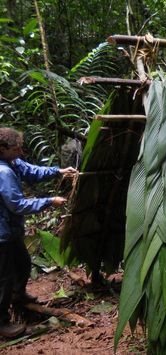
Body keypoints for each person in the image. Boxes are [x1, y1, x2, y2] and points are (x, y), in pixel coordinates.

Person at [0, 127, 77, 338]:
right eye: (16, 149)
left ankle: (18, 295)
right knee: (4, 277)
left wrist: (58, 171)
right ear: (2, 149)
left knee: (23, 263)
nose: (20, 152)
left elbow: (32, 171)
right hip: (1, 233)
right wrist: (49, 201)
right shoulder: (3, 173)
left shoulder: (13, 162)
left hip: (10, 230)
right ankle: (2, 323)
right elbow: (17, 205)